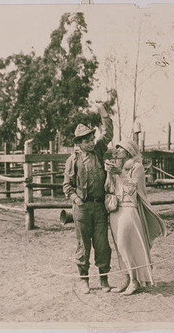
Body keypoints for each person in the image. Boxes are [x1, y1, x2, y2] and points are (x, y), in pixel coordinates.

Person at [105, 139, 167, 295]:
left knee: (126, 245)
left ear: (128, 151)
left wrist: (120, 173)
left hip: (129, 208)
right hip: (115, 209)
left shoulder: (137, 167)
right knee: (120, 247)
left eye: (120, 149)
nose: (117, 151)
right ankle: (127, 279)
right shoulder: (116, 167)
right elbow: (108, 188)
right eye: (116, 149)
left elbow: (133, 188)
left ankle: (135, 281)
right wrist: (109, 174)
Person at [63, 106, 113, 294]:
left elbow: (107, 133)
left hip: (99, 207)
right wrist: (76, 199)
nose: (91, 142)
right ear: (80, 143)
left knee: (102, 244)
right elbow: (67, 185)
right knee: (83, 245)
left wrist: (104, 114)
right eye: (87, 140)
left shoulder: (99, 151)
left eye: (92, 138)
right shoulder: (73, 160)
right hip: (82, 209)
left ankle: (104, 279)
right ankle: (83, 280)